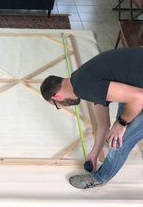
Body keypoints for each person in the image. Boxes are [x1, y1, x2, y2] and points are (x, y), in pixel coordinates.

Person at [40, 47, 143, 189]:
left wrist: (122, 123)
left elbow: (139, 97)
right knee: (123, 116)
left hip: (141, 93)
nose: (62, 106)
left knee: (119, 141)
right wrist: (94, 153)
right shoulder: (80, 78)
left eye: (57, 105)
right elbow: (103, 124)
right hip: (138, 82)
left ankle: (100, 178)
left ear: (56, 97)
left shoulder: (83, 87)